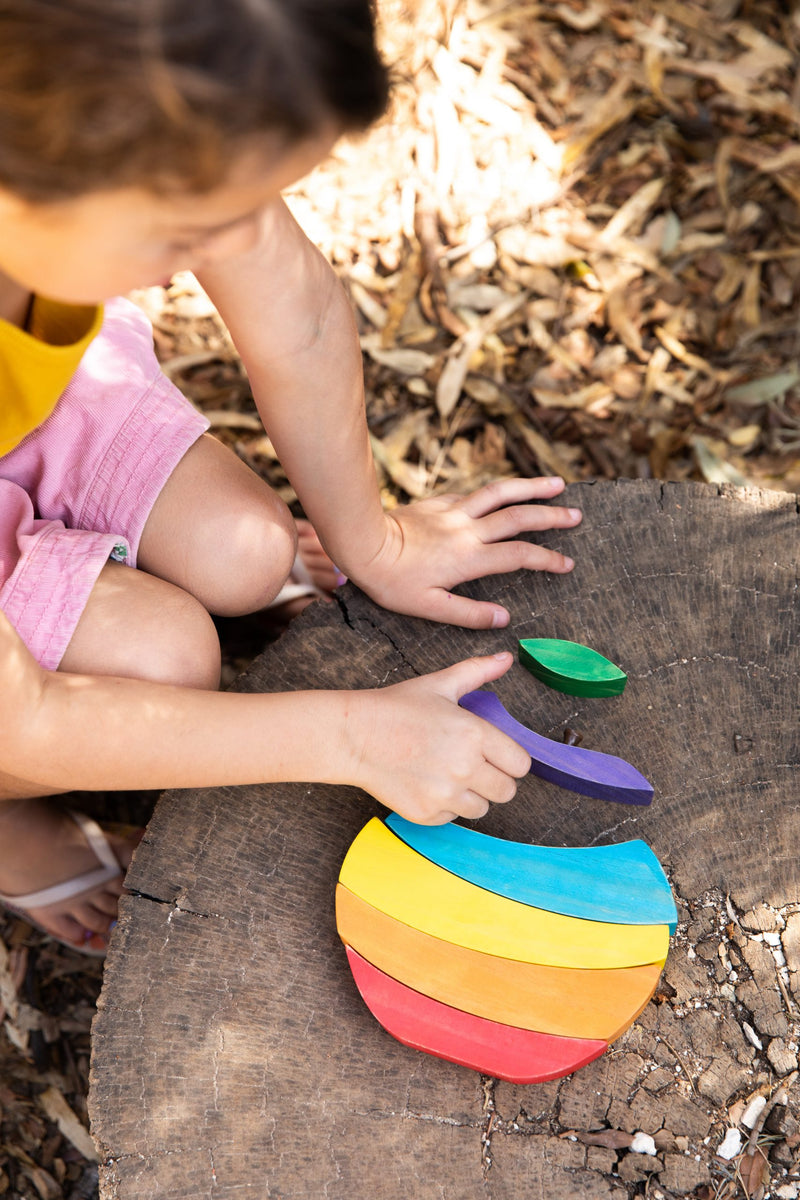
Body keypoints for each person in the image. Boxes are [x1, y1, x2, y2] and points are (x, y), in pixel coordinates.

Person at [0, 0, 582, 954]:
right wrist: (349, 736)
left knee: (247, 547)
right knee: (165, 662)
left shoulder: (102, 107)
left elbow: (295, 308)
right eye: (183, 235)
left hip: (30, 400)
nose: (212, 255)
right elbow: (21, 717)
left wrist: (374, 537)